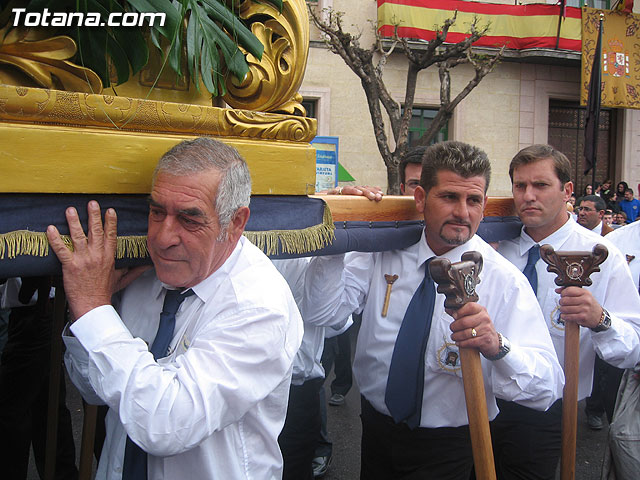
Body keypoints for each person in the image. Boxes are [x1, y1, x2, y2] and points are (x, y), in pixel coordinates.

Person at [304, 140, 564, 480]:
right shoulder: (382, 252)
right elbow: (325, 316)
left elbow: (548, 386)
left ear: (484, 204)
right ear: (421, 198)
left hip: (449, 446)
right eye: (449, 197)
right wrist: (337, 236)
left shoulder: (503, 279)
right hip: (376, 429)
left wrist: (498, 346)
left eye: (473, 200)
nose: (462, 212)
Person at [48, 138, 303, 479]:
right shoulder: (144, 277)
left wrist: (94, 308)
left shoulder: (259, 304)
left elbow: (167, 423)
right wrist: (92, 313)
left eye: (189, 219)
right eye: (156, 212)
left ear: (236, 222)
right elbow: (95, 390)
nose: (162, 237)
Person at [497, 144, 640, 479]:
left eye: (541, 185)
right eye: (520, 186)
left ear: (567, 191)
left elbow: (635, 345)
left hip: (550, 408)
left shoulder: (601, 255)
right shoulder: (494, 248)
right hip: (480, 397)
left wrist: (600, 320)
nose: (528, 195)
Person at [273, 257, 349, 480]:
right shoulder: (246, 252)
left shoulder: (318, 255)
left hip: (298, 389)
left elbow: (336, 321)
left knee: (294, 463)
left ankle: (322, 449)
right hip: (263, 385)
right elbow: (338, 323)